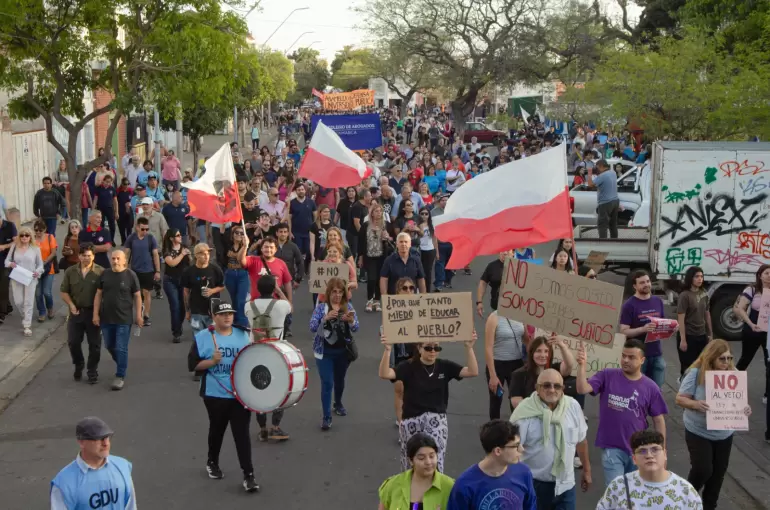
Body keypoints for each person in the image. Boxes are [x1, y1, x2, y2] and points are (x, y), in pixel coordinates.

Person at [379, 325, 478, 473]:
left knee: (434, 459)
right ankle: (411, 493)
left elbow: (472, 371)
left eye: (436, 348)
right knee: (411, 462)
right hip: (411, 419)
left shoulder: (445, 366)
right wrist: (387, 350)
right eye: (428, 348)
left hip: (437, 420)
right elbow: (385, 374)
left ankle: (434, 492)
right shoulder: (408, 366)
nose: (433, 352)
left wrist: (469, 348)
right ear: (419, 348)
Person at [187, 301, 260, 493]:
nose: (227, 317)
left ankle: (249, 475)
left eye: (230, 313)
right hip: (215, 394)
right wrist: (212, 362)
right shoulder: (203, 337)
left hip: (240, 394)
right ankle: (212, 462)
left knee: (241, 433)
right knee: (217, 429)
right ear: (214, 317)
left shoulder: (244, 334)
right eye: (223, 314)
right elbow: (193, 365)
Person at [575, 338, 669, 486]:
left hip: (639, 449)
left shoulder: (651, 387)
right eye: (623, 355)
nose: (625, 360)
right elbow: (582, 389)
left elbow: (658, 420)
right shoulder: (607, 375)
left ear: (642, 360)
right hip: (612, 447)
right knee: (617, 492)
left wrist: (662, 450)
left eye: (631, 357)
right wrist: (581, 366)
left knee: (636, 492)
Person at [676, 339, 748, 509]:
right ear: (711, 357)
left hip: (724, 433)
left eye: (729, 358)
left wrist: (745, 410)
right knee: (703, 469)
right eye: (722, 359)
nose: (726, 362)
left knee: (717, 476)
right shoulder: (695, 372)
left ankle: (709, 506)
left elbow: (739, 401)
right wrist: (695, 404)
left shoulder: (733, 373)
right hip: (698, 430)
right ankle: (684, 499)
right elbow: (680, 398)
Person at [511, 368, 591, 509]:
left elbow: (581, 440)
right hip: (533, 485)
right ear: (537, 388)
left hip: (566, 485)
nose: (552, 390)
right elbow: (511, 451)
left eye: (557, 386)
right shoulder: (524, 413)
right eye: (546, 385)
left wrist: (587, 471)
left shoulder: (573, 407)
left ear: (563, 389)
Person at [596, 430, 703, 509]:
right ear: (634, 459)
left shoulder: (685, 491)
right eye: (642, 451)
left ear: (665, 454)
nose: (649, 455)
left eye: (655, 449)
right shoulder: (619, 486)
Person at [447, 419, 537, 509]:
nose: (522, 449)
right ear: (498, 451)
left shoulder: (524, 473)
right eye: (516, 446)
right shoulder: (465, 485)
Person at [50, 416, 136, 510]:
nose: (105, 443)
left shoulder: (122, 467)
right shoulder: (64, 483)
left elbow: (131, 507)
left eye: (107, 437)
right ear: (81, 442)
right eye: (99, 438)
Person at [245, 275, 292, 442]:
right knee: (281, 388)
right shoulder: (281, 305)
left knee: (260, 390)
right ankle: (275, 427)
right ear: (274, 289)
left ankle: (263, 429)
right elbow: (290, 308)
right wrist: (280, 290)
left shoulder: (248, 306)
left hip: (255, 353)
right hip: (276, 352)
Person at [309, 277, 359, 431]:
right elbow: (312, 327)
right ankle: (326, 417)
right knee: (327, 383)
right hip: (324, 352)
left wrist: (350, 321)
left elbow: (356, 327)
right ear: (328, 293)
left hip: (343, 352)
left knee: (339, 380)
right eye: (334, 292)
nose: (337, 295)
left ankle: (338, 403)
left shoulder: (348, 306)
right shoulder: (321, 308)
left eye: (340, 292)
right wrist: (325, 318)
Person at [93, 250, 142, 391]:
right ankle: (121, 362)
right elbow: (98, 294)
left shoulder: (130, 275)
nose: (115, 261)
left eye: (118, 258)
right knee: (109, 345)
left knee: (121, 347)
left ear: (124, 260)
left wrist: (138, 315)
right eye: (113, 258)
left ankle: (120, 375)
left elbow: (138, 296)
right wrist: (95, 314)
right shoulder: (105, 274)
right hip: (106, 318)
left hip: (123, 319)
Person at [60, 243, 104, 383]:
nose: (86, 258)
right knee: (73, 342)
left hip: (93, 312)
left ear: (93, 256)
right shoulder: (70, 271)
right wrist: (71, 305)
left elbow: (105, 294)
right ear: (79, 256)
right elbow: (64, 291)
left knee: (94, 344)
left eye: (89, 256)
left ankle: (92, 370)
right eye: (84, 256)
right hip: (76, 312)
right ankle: (79, 364)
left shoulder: (101, 272)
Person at [377, 433, 455, 510]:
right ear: (411, 461)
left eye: (432, 456)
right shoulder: (393, 485)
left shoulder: (450, 487)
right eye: (421, 458)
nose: (428, 462)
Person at [620, 270, 667, 387]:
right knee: (638, 391)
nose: (646, 284)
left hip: (657, 354)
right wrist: (643, 329)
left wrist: (670, 328)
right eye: (642, 283)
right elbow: (623, 331)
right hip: (637, 356)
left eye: (648, 281)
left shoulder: (657, 301)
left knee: (657, 391)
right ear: (635, 286)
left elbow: (662, 323)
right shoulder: (629, 305)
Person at [733, 264, 770, 404]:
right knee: (745, 359)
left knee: (769, 362)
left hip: (768, 332)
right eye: (766, 273)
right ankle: (730, 388)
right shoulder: (752, 290)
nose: (769, 276)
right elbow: (741, 308)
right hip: (752, 329)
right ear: (760, 275)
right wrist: (750, 324)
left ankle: (767, 395)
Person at [485, 309, 529, 420]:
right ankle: (495, 431)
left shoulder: (521, 315)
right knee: (496, 399)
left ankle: (516, 429)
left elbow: (527, 340)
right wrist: (493, 376)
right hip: (498, 364)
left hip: (517, 365)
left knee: (516, 399)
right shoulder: (494, 317)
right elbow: (488, 347)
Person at [510, 335, 576, 408]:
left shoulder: (554, 370)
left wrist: (562, 345)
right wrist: (541, 411)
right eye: (538, 351)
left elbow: (569, 365)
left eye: (546, 351)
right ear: (532, 353)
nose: (543, 355)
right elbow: (516, 402)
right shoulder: (519, 374)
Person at [5, 226, 44, 336]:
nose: (24, 237)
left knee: (28, 301)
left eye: (27, 235)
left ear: (30, 237)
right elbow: (6, 261)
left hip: (30, 277)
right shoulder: (14, 246)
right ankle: (25, 316)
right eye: (22, 235)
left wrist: (37, 271)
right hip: (17, 277)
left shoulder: (35, 248)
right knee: (18, 301)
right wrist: (10, 264)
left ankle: (27, 325)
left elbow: (40, 264)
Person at [123, 217, 161, 327]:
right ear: (137, 227)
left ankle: (146, 315)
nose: (145, 231)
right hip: (135, 271)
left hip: (148, 270)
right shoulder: (131, 238)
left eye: (147, 229)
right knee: (136, 294)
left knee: (147, 293)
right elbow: (126, 253)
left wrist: (157, 271)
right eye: (143, 229)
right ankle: (138, 314)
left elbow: (155, 255)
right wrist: (124, 268)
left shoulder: (150, 238)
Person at [182, 243, 225, 338]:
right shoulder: (189, 272)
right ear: (196, 255)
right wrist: (187, 311)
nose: (206, 256)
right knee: (199, 338)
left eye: (208, 253)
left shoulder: (215, 269)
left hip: (212, 310)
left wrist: (212, 291)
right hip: (196, 310)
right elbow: (186, 291)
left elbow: (222, 286)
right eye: (203, 254)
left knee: (213, 338)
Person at [677, 266, 713, 378]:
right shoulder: (685, 295)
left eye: (701, 276)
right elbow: (680, 319)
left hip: (701, 335)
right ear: (690, 278)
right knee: (688, 367)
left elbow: (707, 314)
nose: (700, 279)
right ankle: (683, 389)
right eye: (697, 276)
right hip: (688, 335)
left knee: (701, 364)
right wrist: (683, 340)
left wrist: (710, 333)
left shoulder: (704, 293)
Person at [357, 203, 393, 313]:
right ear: (371, 213)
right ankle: (369, 300)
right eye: (376, 211)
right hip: (369, 256)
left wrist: (387, 238)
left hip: (382, 256)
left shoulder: (386, 225)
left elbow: (392, 239)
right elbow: (360, 242)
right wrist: (360, 257)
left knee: (379, 279)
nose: (379, 213)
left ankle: (377, 301)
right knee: (371, 279)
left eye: (380, 211)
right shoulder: (365, 225)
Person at [162, 229, 191, 343]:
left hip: (183, 281)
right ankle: (176, 332)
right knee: (175, 306)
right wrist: (182, 254)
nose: (180, 237)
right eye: (177, 235)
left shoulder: (184, 247)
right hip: (170, 281)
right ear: (171, 238)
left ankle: (178, 325)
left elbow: (189, 263)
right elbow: (172, 263)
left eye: (180, 234)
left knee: (183, 307)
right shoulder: (167, 250)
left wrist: (189, 255)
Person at [380, 232, 427, 296]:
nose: (403, 244)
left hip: (412, 299)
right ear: (397, 244)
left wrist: (423, 296)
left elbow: (421, 279)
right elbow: (384, 279)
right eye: (401, 242)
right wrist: (385, 296)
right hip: (394, 299)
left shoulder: (416, 260)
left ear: (410, 244)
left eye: (406, 242)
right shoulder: (389, 260)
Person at [586, 159, 619, 239]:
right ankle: (615, 241)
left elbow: (590, 184)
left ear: (600, 166)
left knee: (602, 225)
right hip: (615, 201)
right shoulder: (613, 173)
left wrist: (589, 173)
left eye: (596, 167)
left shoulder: (602, 176)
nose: (596, 169)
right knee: (613, 224)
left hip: (605, 203)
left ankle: (603, 243)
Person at [32, 218, 57, 322]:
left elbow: (53, 252)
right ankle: (42, 312)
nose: (38, 232)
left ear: (45, 229)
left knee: (47, 292)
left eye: (40, 230)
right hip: (35, 270)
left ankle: (50, 308)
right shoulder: (32, 239)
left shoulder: (50, 237)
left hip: (48, 269)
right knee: (38, 293)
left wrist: (45, 261)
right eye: (36, 230)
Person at [477, 250, 513, 317]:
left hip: (515, 308)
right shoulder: (492, 266)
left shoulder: (519, 266)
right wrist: (479, 302)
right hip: (496, 306)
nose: (505, 253)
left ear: (512, 252)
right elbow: (483, 283)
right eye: (503, 250)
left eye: (508, 250)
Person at [0, 213, 17, 325]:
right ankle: (8, 306)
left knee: (3, 288)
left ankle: (1, 314)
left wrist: (4, 246)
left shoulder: (10, 226)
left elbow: (16, 241)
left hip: (7, 262)